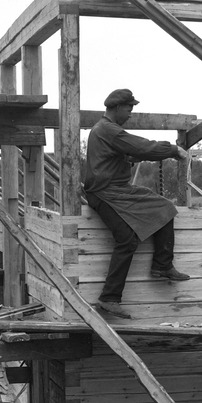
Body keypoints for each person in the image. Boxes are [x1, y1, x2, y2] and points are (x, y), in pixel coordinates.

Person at [82, 89, 191, 318]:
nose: (130, 114)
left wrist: (130, 157)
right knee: (127, 239)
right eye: (129, 109)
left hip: (114, 191)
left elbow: (128, 153)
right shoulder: (109, 130)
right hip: (106, 193)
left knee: (164, 208)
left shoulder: (104, 130)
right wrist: (172, 150)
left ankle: (162, 266)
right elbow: (141, 146)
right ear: (119, 107)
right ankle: (110, 298)